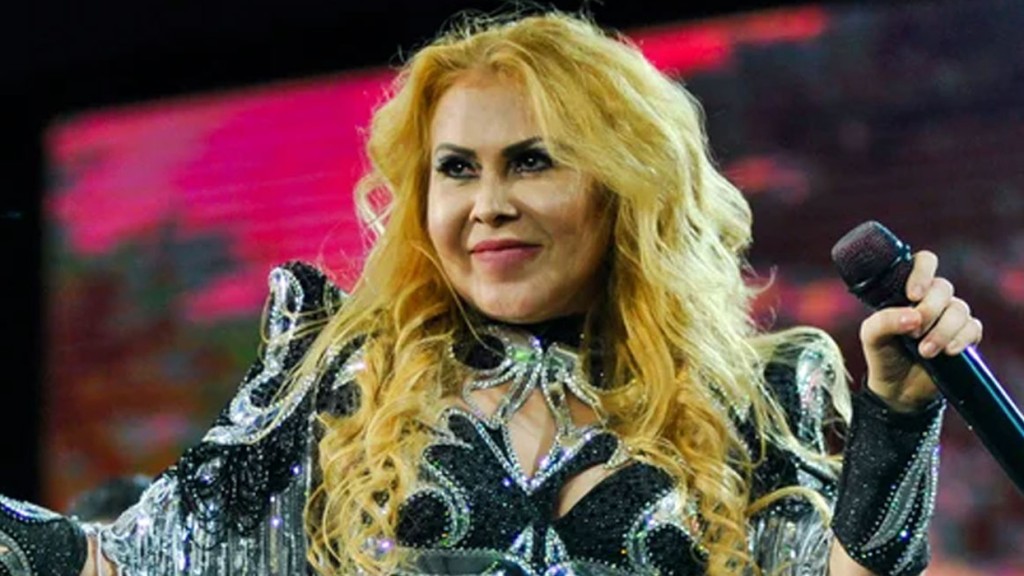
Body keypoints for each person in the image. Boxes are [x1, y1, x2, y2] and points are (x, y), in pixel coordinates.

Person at [0, 9, 983, 576]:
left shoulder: (757, 396)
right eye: (456, 170)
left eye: (532, 161)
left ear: (627, 188)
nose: (487, 205)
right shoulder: (341, 380)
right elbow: (125, 565)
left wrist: (897, 420)